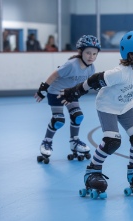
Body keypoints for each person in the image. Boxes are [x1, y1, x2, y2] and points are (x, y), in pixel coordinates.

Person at [58, 30, 133, 199]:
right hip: (107, 106)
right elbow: (94, 80)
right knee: (112, 141)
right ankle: (92, 171)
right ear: (131, 56)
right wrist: (74, 92)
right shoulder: (120, 73)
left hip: (125, 107)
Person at [34, 35, 101, 164]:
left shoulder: (91, 68)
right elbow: (55, 74)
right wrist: (43, 89)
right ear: (80, 52)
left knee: (77, 116)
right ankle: (46, 142)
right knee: (58, 120)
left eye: (94, 54)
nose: (91, 56)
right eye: (88, 53)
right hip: (56, 93)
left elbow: (87, 83)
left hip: (70, 94)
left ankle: (74, 141)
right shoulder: (71, 65)